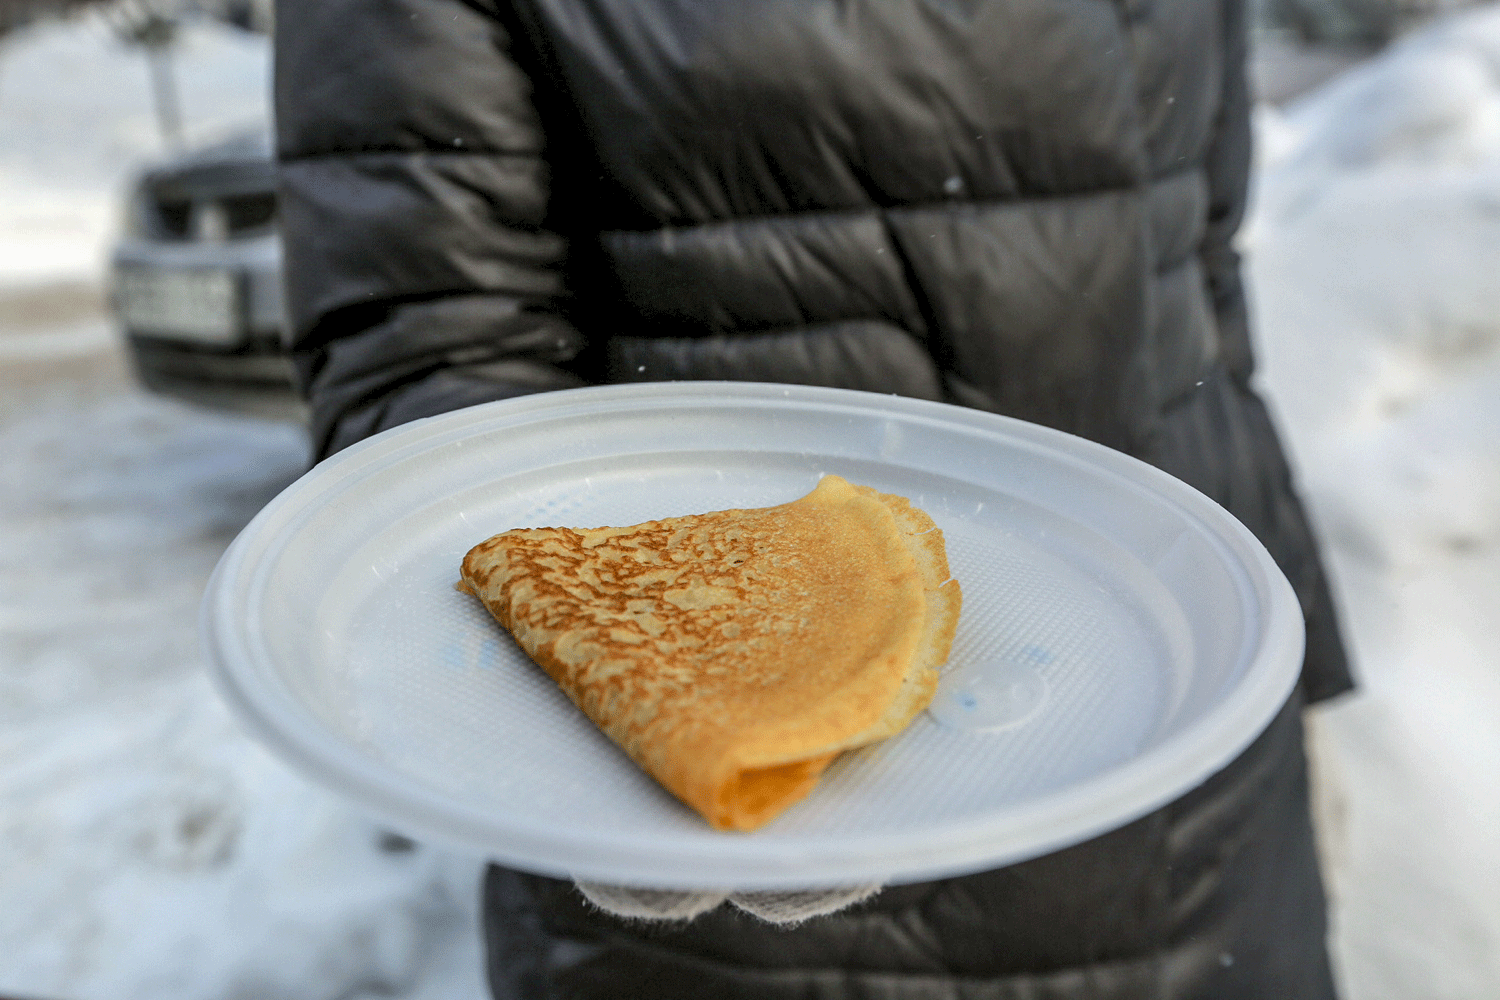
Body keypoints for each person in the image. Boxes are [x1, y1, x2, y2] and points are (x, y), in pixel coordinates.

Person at [273, 1, 1356, 996]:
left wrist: (1278, 654)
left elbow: (1200, 279)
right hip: (746, 908)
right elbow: (430, 343)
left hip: (1196, 785)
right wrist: (606, 740)